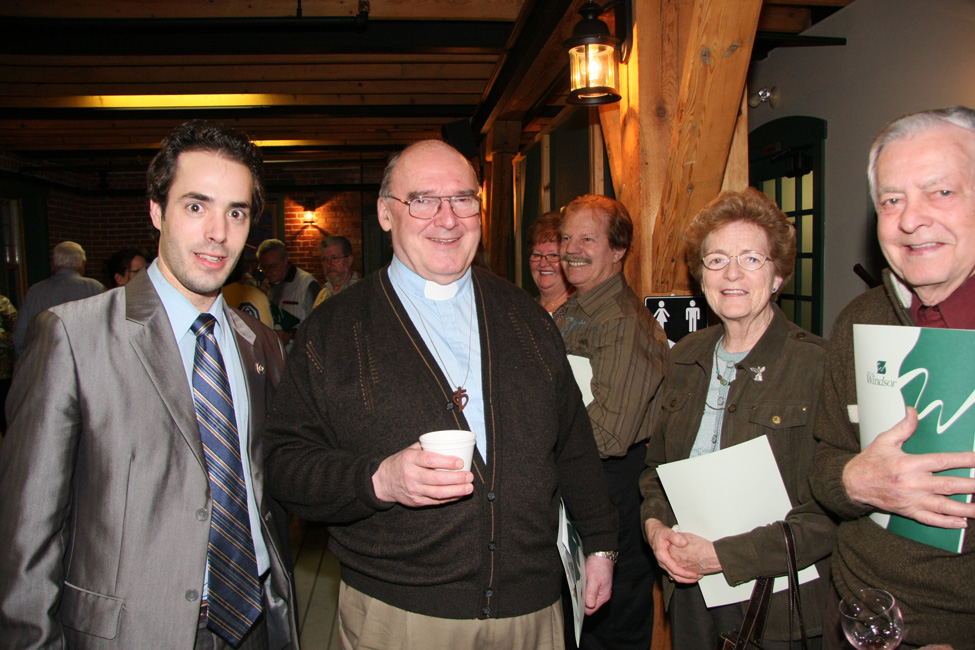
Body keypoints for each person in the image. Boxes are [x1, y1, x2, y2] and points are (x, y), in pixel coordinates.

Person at [263, 140, 618, 650]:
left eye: (463, 199)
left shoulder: (528, 318)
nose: (447, 219)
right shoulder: (334, 329)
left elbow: (573, 446)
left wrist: (601, 544)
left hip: (533, 612)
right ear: (386, 213)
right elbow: (284, 464)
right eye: (423, 200)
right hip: (400, 616)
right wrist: (379, 480)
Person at [0, 119, 298, 649]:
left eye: (236, 212)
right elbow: (26, 537)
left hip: (254, 622)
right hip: (131, 633)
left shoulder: (259, 343)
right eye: (196, 206)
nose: (218, 232)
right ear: (157, 211)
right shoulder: (72, 337)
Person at [809, 106, 975, 649]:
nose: (910, 220)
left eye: (941, 192)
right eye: (891, 200)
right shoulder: (859, 320)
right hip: (853, 615)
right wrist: (855, 481)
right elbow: (825, 462)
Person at [639, 188, 834, 650]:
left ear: (778, 274)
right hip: (689, 592)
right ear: (700, 276)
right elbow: (655, 472)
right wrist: (656, 528)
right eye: (716, 260)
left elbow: (830, 514)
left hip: (777, 604)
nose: (731, 274)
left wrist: (722, 555)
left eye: (750, 259)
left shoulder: (819, 366)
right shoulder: (684, 357)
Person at [557, 194, 669, 650]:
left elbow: (609, 434)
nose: (571, 249)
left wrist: (536, 447)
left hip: (612, 485)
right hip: (580, 476)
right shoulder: (573, 309)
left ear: (619, 249)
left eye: (587, 239)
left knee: (611, 625)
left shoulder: (621, 322)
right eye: (566, 238)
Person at [12, 241, 105, 356]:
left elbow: (21, 333)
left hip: (45, 358)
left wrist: (23, 358)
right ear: (83, 263)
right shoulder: (95, 288)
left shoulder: (35, 291)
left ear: (53, 264)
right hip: (85, 358)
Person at [257, 238, 319, 345]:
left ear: (285, 259)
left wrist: (290, 335)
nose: (268, 272)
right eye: (263, 268)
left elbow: (318, 325)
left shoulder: (306, 284)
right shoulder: (265, 286)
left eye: (273, 266)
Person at [527, 210, 573, 320]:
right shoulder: (523, 309)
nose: (543, 263)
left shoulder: (577, 314)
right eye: (537, 255)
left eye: (553, 255)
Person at [312, 235, 360, 307]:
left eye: (334, 258)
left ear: (349, 260)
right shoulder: (322, 294)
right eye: (325, 259)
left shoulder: (360, 291)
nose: (328, 265)